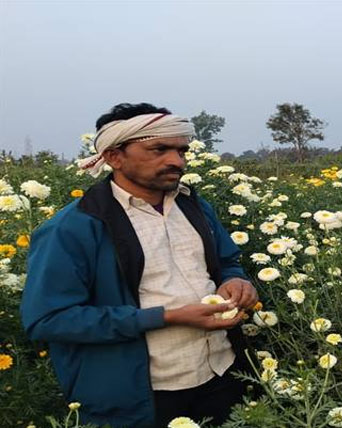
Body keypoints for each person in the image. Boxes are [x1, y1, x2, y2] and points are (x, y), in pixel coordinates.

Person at [20, 103, 259, 427]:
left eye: (181, 150)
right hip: (141, 395)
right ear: (115, 156)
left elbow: (227, 261)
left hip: (221, 373)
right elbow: (49, 319)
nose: (176, 160)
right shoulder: (74, 227)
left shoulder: (194, 207)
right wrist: (167, 317)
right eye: (159, 149)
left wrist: (236, 282)